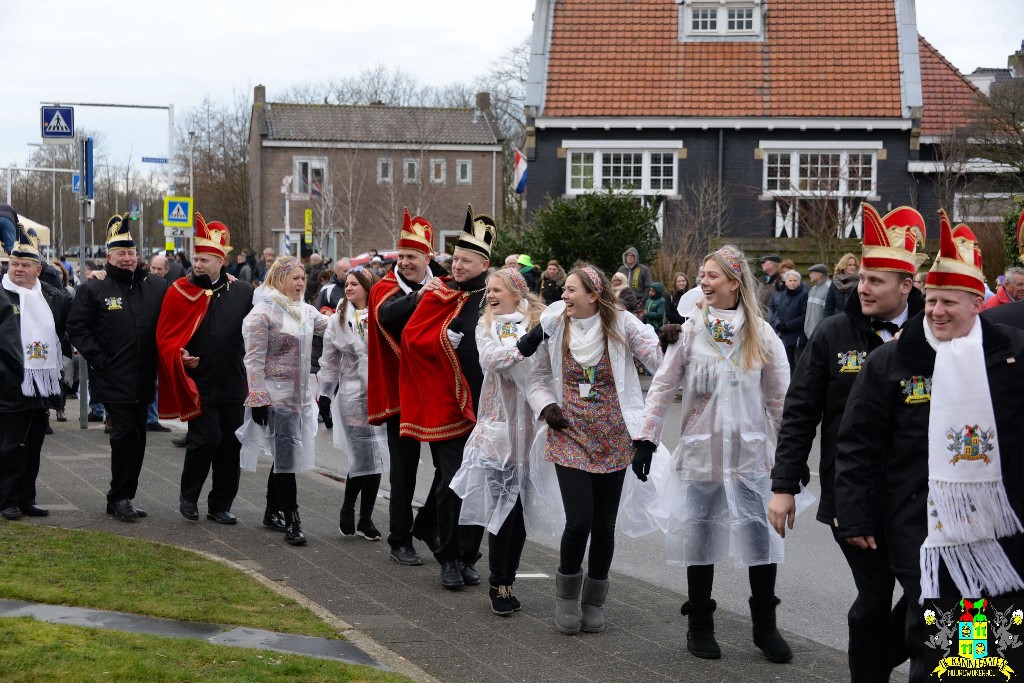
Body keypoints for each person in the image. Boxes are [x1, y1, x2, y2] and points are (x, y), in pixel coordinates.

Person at [835, 211, 1024, 683]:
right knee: (936, 644)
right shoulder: (892, 361)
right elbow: (858, 443)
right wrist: (854, 515)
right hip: (922, 529)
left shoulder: (1012, 355)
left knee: (987, 651)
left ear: (976, 303)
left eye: (949, 302)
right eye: (932, 300)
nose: (937, 311)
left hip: (999, 531)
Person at [768, 203, 927, 682]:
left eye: (876, 281)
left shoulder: (933, 335)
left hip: (919, 496)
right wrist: (784, 485)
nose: (862, 287)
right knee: (874, 596)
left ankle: (908, 660)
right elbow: (800, 412)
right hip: (851, 493)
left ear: (906, 286)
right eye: (862, 279)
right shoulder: (834, 334)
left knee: (932, 596)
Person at [633, 245, 792, 663]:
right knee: (700, 534)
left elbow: (779, 398)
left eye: (712, 276)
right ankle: (699, 624)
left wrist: (789, 458)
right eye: (701, 274)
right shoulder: (690, 330)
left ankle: (765, 626)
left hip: (750, 453)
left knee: (760, 535)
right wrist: (646, 438)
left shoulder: (760, 333)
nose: (703, 281)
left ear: (734, 283)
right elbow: (663, 387)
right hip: (702, 452)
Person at [527, 264, 662, 634]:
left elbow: (660, 362)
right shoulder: (555, 323)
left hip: (614, 436)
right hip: (569, 432)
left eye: (572, 290)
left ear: (593, 295)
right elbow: (536, 376)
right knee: (580, 520)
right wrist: (545, 405)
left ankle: (594, 600)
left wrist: (673, 341)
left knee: (604, 525)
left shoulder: (622, 324)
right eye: (564, 289)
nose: (564, 296)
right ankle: (567, 597)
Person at [400, 205, 495, 590]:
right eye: (454, 259)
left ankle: (465, 551)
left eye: (465, 261)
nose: (455, 266)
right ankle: (450, 558)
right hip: (448, 403)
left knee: (479, 481)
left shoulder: (497, 295)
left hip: (489, 405)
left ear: (484, 263)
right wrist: (441, 340)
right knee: (454, 479)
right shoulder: (439, 293)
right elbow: (410, 337)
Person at [451, 269, 545, 615]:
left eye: (496, 289)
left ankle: (508, 579)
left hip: (531, 433)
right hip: (496, 433)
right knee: (502, 509)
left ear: (516, 293)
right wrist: (526, 345)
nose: (489, 294)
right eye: (488, 289)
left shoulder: (539, 321)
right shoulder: (485, 326)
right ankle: (497, 583)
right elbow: (492, 360)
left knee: (519, 512)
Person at [66, 214, 168, 521]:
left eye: (131, 253)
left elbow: (187, 301)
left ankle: (125, 495)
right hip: (113, 378)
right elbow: (76, 328)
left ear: (138, 256)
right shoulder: (94, 289)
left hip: (143, 377)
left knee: (139, 436)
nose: (127, 259)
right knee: (124, 436)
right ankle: (119, 495)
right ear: (109, 256)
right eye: (120, 253)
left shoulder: (155, 287)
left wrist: (226, 280)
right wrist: (102, 360)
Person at [156, 214, 253, 526]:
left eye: (205, 259)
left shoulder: (243, 292)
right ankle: (189, 496)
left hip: (233, 381)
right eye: (196, 258)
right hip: (198, 382)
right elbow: (165, 337)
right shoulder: (179, 290)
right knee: (204, 440)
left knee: (230, 444)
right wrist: (179, 354)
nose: (198, 264)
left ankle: (221, 504)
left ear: (221, 261)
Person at [367, 209, 444, 566]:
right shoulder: (385, 288)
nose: (407, 262)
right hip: (401, 395)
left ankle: (428, 523)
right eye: (403, 256)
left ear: (428, 257)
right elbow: (386, 315)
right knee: (404, 470)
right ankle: (399, 539)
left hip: (436, 391)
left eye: (413, 257)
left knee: (451, 468)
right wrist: (420, 297)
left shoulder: (445, 283)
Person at [240, 256, 329, 545]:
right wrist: (258, 398)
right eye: (295, 278)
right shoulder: (262, 314)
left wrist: (358, 314)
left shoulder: (304, 310)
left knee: (284, 455)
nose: (301, 283)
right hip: (275, 397)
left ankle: (270, 510)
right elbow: (252, 360)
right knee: (287, 456)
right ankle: (292, 518)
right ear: (279, 279)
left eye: (303, 278)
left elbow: (329, 327)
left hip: (299, 398)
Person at [0, 226, 71, 519]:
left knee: (33, 447)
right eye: (14, 264)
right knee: (9, 448)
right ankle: (6, 500)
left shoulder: (54, 297)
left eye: (25, 265)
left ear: (38, 269)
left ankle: (26, 497)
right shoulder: (2, 294)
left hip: (42, 390)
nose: (18, 269)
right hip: (8, 385)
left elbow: (72, 327)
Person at [317, 265, 388, 540]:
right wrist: (325, 392)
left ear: (368, 288)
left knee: (377, 456)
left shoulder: (380, 315)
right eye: (346, 283)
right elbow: (330, 360)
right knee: (361, 455)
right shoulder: (339, 319)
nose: (348, 288)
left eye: (355, 284)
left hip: (378, 395)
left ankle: (366, 518)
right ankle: (348, 508)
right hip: (351, 396)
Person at [771, 270, 808, 372]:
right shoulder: (783, 296)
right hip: (785, 337)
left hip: (798, 338)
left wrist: (788, 326)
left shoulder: (804, 295)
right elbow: (778, 312)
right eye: (790, 280)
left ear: (799, 282)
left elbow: (804, 316)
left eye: (795, 280)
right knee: (787, 366)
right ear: (786, 282)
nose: (792, 283)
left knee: (799, 367)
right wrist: (778, 324)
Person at [824, 252, 860, 316]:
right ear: (843, 266)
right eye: (850, 265)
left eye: (854, 265)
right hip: (837, 319)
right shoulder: (836, 281)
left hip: (855, 319)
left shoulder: (860, 281)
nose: (853, 267)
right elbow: (829, 305)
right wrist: (827, 321)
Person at [618, 246, 652, 310]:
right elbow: (616, 285)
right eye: (628, 255)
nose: (630, 257)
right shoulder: (621, 270)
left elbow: (648, 286)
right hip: (622, 302)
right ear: (625, 257)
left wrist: (642, 301)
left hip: (638, 303)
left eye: (632, 255)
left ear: (636, 257)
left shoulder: (644, 269)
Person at [802, 263, 831, 340]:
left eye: (811, 273)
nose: (809, 275)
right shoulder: (813, 289)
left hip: (822, 334)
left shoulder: (830, 288)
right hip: (810, 335)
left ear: (819, 275)